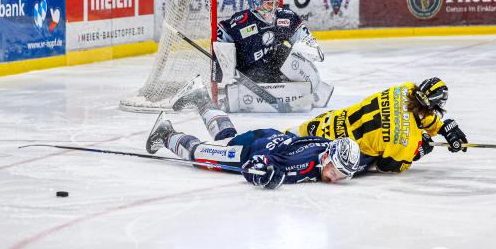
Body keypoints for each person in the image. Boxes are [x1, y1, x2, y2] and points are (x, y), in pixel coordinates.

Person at [145, 82, 367, 189]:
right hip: (253, 148)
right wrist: (265, 174)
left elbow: (361, 159)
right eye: (335, 171)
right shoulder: (299, 161)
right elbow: (257, 163)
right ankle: (166, 133)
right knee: (201, 156)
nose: (335, 177)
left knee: (226, 138)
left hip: (268, 137)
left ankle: (201, 99)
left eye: (342, 175)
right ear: (328, 157)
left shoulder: (331, 152)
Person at [289, 78, 469, 173]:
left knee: (279, 138)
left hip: (322, 122)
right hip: (329, 150)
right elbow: (385, 167)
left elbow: (418, 110)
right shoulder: (407, 142)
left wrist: (442, 127)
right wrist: (417, 150)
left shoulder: (404, 89)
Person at [214, 0, 333, 111]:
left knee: (286, 52)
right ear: (257, 3)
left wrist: (311, 46)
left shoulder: (286, 17)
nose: (273, 8)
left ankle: (312, 85)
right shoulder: (242, 22)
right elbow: (222, 32)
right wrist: (225, 65)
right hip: (250, 70)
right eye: (268, 4)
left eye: (274, 3)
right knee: (257, 72)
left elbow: (302, 36)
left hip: (273, 65)